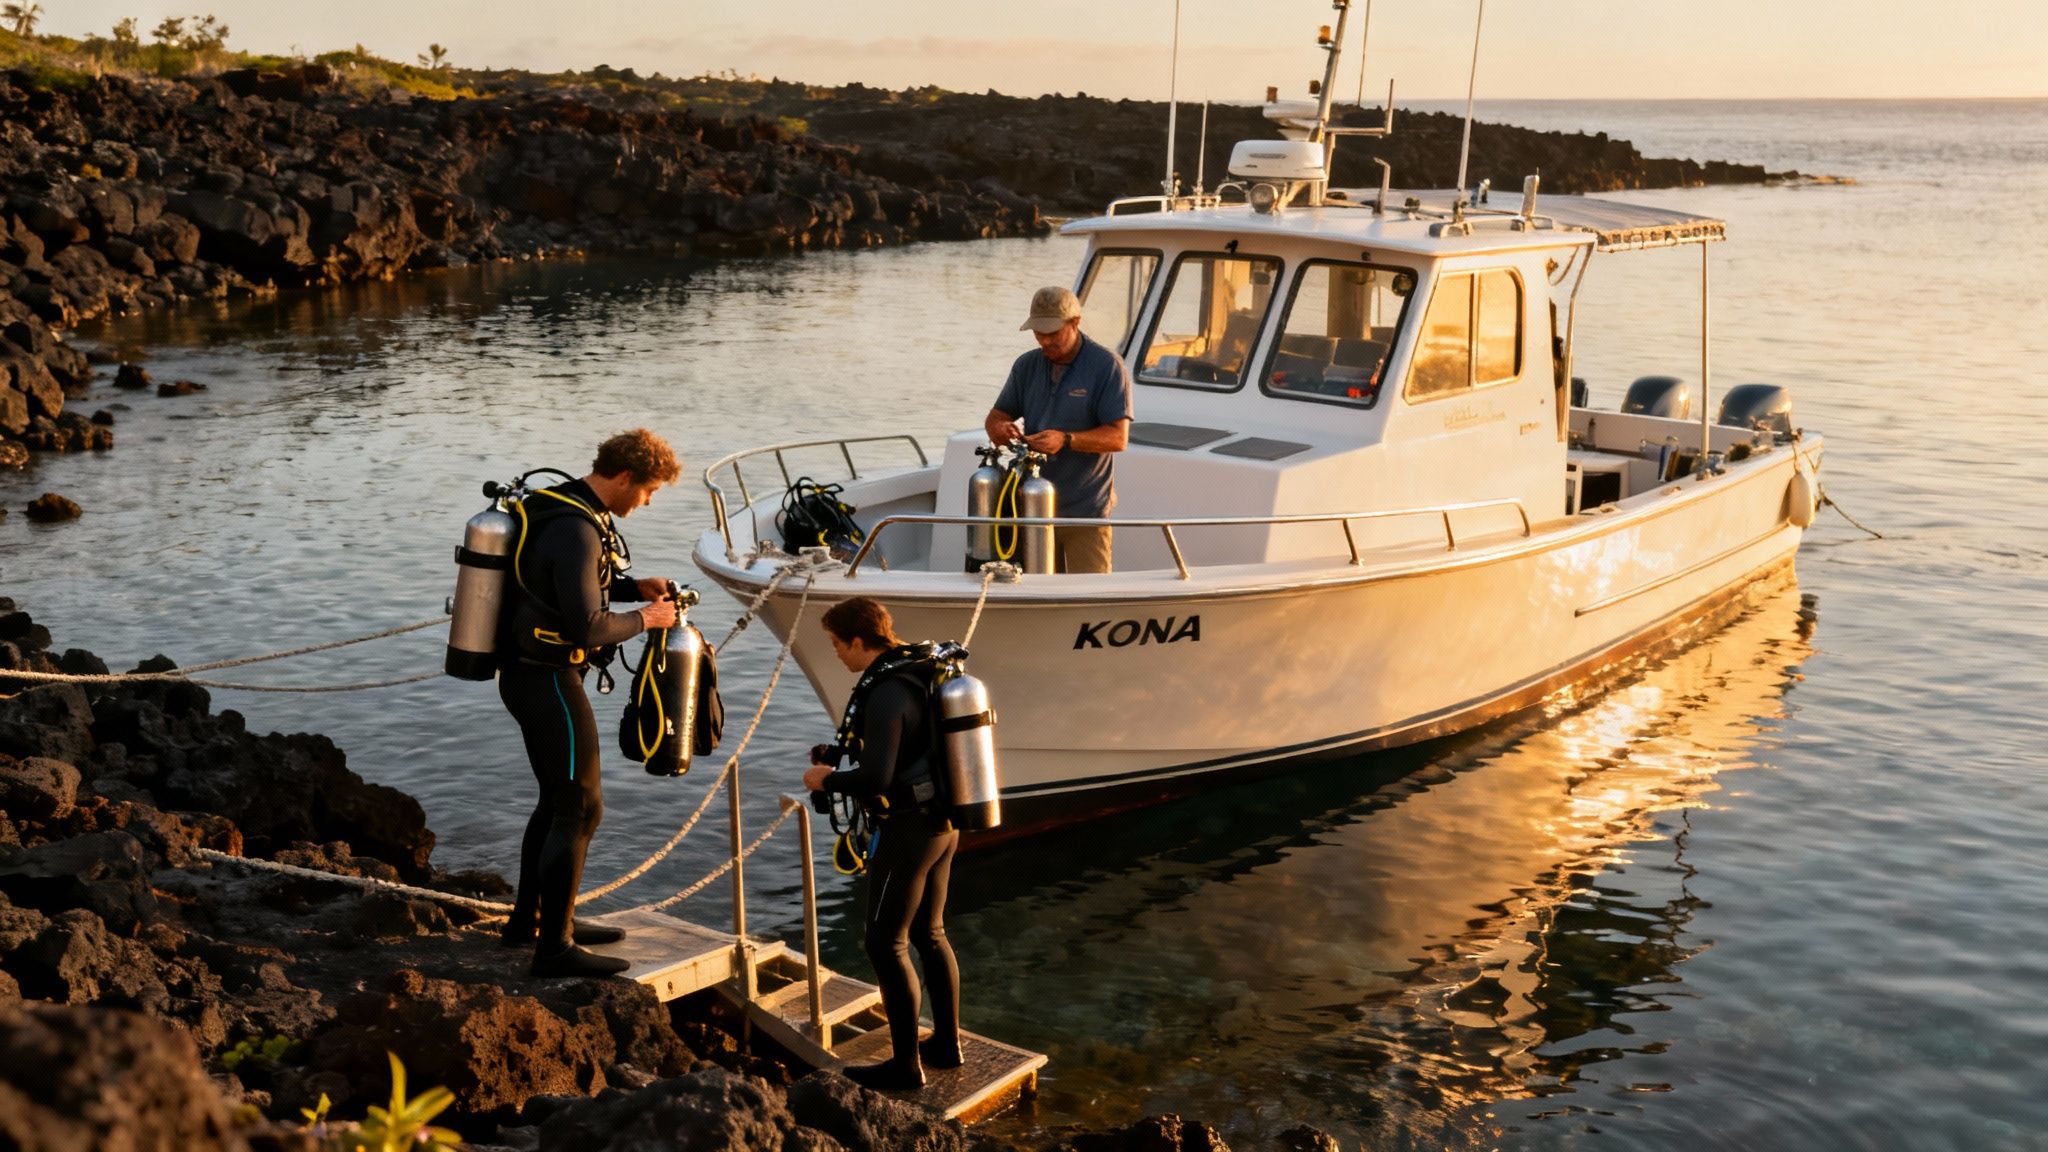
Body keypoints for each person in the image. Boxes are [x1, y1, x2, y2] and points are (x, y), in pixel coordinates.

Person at [498, 428, 683, 978]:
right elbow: (588, 624)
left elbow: (560, 586)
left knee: (555, 802)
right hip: (548, 680)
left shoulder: (557, 508)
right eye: (648, 490)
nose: (647, 502)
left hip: (528, 675)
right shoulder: (577, 529)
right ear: (624, 478)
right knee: (582, 807)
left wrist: (632, 587)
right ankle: (553, 949)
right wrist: (648, 619)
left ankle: (530, 923)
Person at [801, 597, 963, 1091]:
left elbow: (875, 778)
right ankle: (947, 1045)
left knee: (884, 942)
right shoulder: (914, 671)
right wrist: (840, 756)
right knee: (929, 934)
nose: (835, 655)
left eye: (835, 644)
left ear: (857, 640)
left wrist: (825, 780)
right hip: (944, 822)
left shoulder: (887, 690)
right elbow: (905, 748)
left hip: (910, 828)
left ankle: (905, 1066)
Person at [983, 285, 1134, 574]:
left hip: (1086, 513)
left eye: (1052, 333)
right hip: (1031, 509)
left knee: (1090, 598)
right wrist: (1000, 429)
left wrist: (1065, 440)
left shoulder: (1107, 367)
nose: (1044, 340)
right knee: (1032, 593)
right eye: (1038, 333)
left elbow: (1118, 437)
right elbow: (995, 416)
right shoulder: (1026, 365)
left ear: (1075, 323)